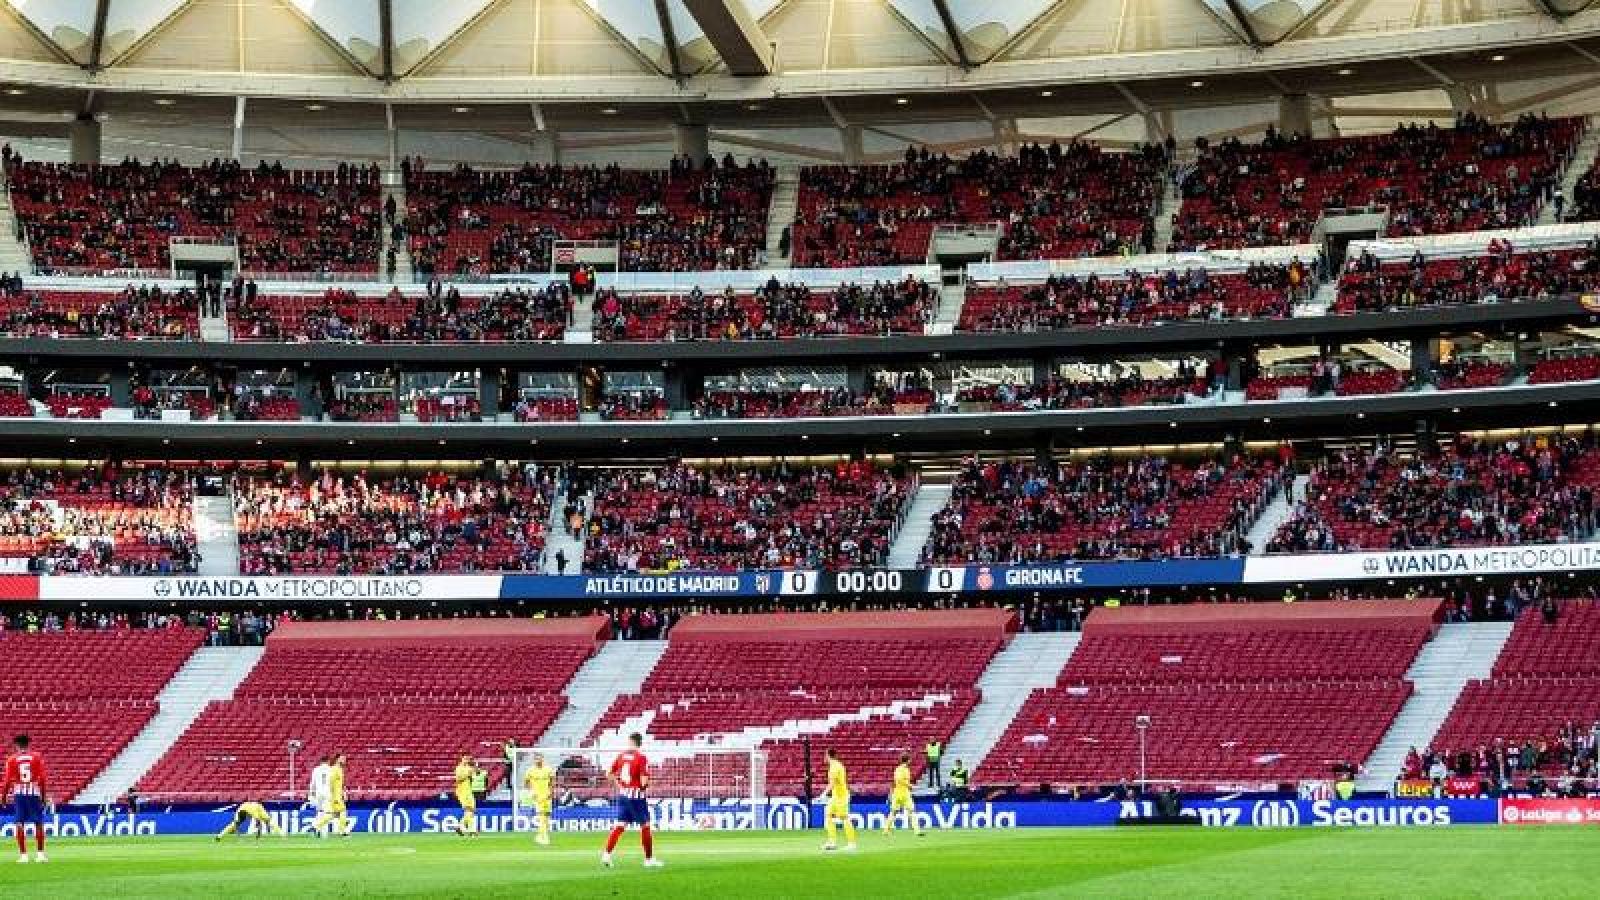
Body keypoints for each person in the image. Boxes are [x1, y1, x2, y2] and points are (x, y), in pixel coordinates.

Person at [601, 733, 662, 868]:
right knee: (645, 826)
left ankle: (606, 854)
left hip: (623, 795)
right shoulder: (641, 757)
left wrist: (619, 786)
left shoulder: (621, 756)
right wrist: (644, 788)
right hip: (636, 796)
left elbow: (609, 774)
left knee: (620, 825)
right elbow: (643, 779)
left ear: (631, 742)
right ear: (640, 743)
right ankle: (649, 859)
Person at [2, 734, 47, 863]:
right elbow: (42, 779)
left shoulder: (12, 759)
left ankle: (24, 855)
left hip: (19, 794)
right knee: (38, 823)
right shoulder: (36, 757)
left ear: (16, 745)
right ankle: (40, 854)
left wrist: (3, 797)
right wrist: (43, 796)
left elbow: (7, 781)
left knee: (19, 823)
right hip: (34, 792)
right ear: (28, 745)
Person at [821, 747, 857, 852]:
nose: (824, 757)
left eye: (825, 755)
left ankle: (852, 843)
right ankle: (832, 842)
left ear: (828, 755)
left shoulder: (835, 767)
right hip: (836, 796)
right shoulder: (836, 765)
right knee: (828, 815)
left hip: (841, 797)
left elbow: (832, 783)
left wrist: (823, 794)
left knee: (844, 818)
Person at [310, 753, 353, 837]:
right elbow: (330, 783)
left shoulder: (339, 769)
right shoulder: (334, 769)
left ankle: (316, 826)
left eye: (344, 758)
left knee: (333, 814)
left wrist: (343, 793)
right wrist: (334, 796)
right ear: (337, 759)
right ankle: (342, 832)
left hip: (337, 795)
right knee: (342, 812)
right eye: (342, 758)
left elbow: (340, 784)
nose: (344, 760)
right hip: (335, 796)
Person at [881, 752, 923, 837]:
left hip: (897, 793)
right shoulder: (902, 769)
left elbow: (897, 781)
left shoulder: (899, 769)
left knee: (893, 812)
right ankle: (917, 831)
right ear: (907, 760)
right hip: (903, 793)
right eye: (909, 759)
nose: (910, 761)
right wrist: (909, 785)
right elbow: (899, 780)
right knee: (911, 811)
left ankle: (886, 830)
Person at [523, 752, 555, 846]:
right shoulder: (530, 770)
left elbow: (553, 781)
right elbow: (526, 783)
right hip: (538, 796)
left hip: (547, 795)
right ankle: (545, 837)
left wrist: (551, 792)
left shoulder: (548, 769)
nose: (538, 760)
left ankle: (540, 835)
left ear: (542, 759)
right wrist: (531, 792)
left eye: (540, 758)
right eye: (536, 759)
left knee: (547, 816)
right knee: (542, 815)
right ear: (534, 760)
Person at [216, 801, 284, 840]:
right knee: (234, 824)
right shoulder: (241, 810)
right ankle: (219, 836)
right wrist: (237, 833)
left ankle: (281, 834)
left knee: (268, 821)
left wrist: (258, 834)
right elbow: (236, 824)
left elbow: (258, 822)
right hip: (250, 807)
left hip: (258, 808)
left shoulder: (252, 811)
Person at [454, 754, 480, 836]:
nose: (466, 760)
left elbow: (478, 772)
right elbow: (458, 778)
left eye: (467, 759)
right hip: (462, 792)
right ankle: (472, 830)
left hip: (468, 791)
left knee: (471, 811)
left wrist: (475, 767)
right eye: (465, 758)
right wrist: (468, 774)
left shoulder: (468, 768)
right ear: (461, 759)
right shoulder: (459, 768)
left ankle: (460, 827)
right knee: (469, 809)